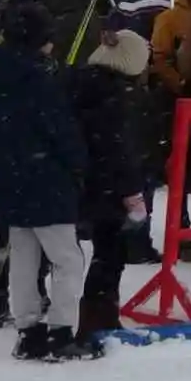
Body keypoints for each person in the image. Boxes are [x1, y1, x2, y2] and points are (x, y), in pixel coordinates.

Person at [0, 0, 95, 360]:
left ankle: (28, 331)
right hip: (45, 178)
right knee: (67, 258)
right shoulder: (40, 80)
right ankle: (61, 332)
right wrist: (79, 165)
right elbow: (60, 130)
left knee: (24, 256)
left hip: (7, 177)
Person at [74, 30, 151, 337]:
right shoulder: (117, 96)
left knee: (59, 256)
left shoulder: (77, 82)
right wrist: (133, 192)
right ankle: (98, 316)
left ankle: (56, 313)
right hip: (107, 185)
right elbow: (121, 150)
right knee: (110, 252)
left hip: (74, 179)